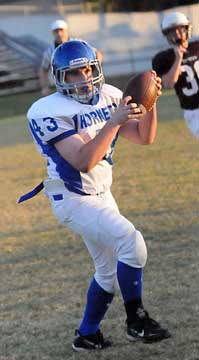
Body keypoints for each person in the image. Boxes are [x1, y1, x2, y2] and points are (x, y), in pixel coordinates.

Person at [21, 40, 171, 351]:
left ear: (96, 68)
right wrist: (113, 122)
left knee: (108, 273)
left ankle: (87, 334)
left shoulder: (109, 96)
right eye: (74, 73)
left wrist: (151, 102)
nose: (83, 78)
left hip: (102, 193)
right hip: (72, 198)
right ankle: (137, 322)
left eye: (87, 69)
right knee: (132, 243)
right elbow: (83, 161)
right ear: (60, 77)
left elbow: (144, 137)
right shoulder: (46, 110)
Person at [152, 12, 199, 139]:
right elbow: (168, 83)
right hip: (194, 111)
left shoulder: (197, 47)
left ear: (187, 29)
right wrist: (178, 58)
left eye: (180, 30)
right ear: (167, 35)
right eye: (172, 32)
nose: (177, 35)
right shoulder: (163, 58)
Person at [39, 19, 103, 97]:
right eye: (56, 31)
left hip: (86, 81)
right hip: (65, 87)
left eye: (61, 30)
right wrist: (44, 87)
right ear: (53, 33)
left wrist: (94, 70)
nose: (59, 34)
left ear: (67, 30)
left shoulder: (79, 44)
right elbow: (43, 69)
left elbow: (97, 53)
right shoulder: (49, 51)